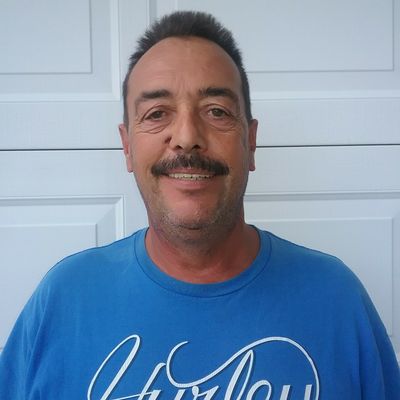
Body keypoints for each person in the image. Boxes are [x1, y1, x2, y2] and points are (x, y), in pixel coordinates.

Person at [0, 10, 399, 400]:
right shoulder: (65, 300)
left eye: (216, 111)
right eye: (157, 113)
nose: (187, 136)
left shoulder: (335, 298)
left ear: (251, 141)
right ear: (127, 146)